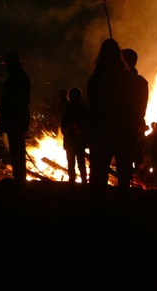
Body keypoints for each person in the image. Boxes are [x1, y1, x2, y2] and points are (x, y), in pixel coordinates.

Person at [86, 38, 136, 203]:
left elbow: (92, 107)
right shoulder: (125, 78)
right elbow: (131, 105)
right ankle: (123, 200)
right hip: (120, 130)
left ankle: (97, 202)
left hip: (102, 131)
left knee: (99, 170)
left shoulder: (95, 80)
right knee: (123, 169)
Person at [0, 52, 31, 187]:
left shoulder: (17, 79)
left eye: (8, 65)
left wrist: (5, 122)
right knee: (16, 151)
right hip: (16, 120)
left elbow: (14, 103)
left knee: (17, 152)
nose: (6, 68)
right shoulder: (19, 78)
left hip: (15, 120)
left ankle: (19, 181)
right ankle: (19, 179)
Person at [121, 48, 149, 176]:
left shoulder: (120, 81)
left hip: (123, 126)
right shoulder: (142, 82)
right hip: (134, 125)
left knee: (124, 159)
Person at [60, 87, 89, 190]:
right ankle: (84, 182)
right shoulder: (84, 110)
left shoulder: (68, 110)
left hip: (70, 141)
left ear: (70, 97)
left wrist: (68, 133)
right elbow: (87, 125)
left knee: (71, 163)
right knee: (81, 162)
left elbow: (63, 126)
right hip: (79, 141)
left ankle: (72, 183)